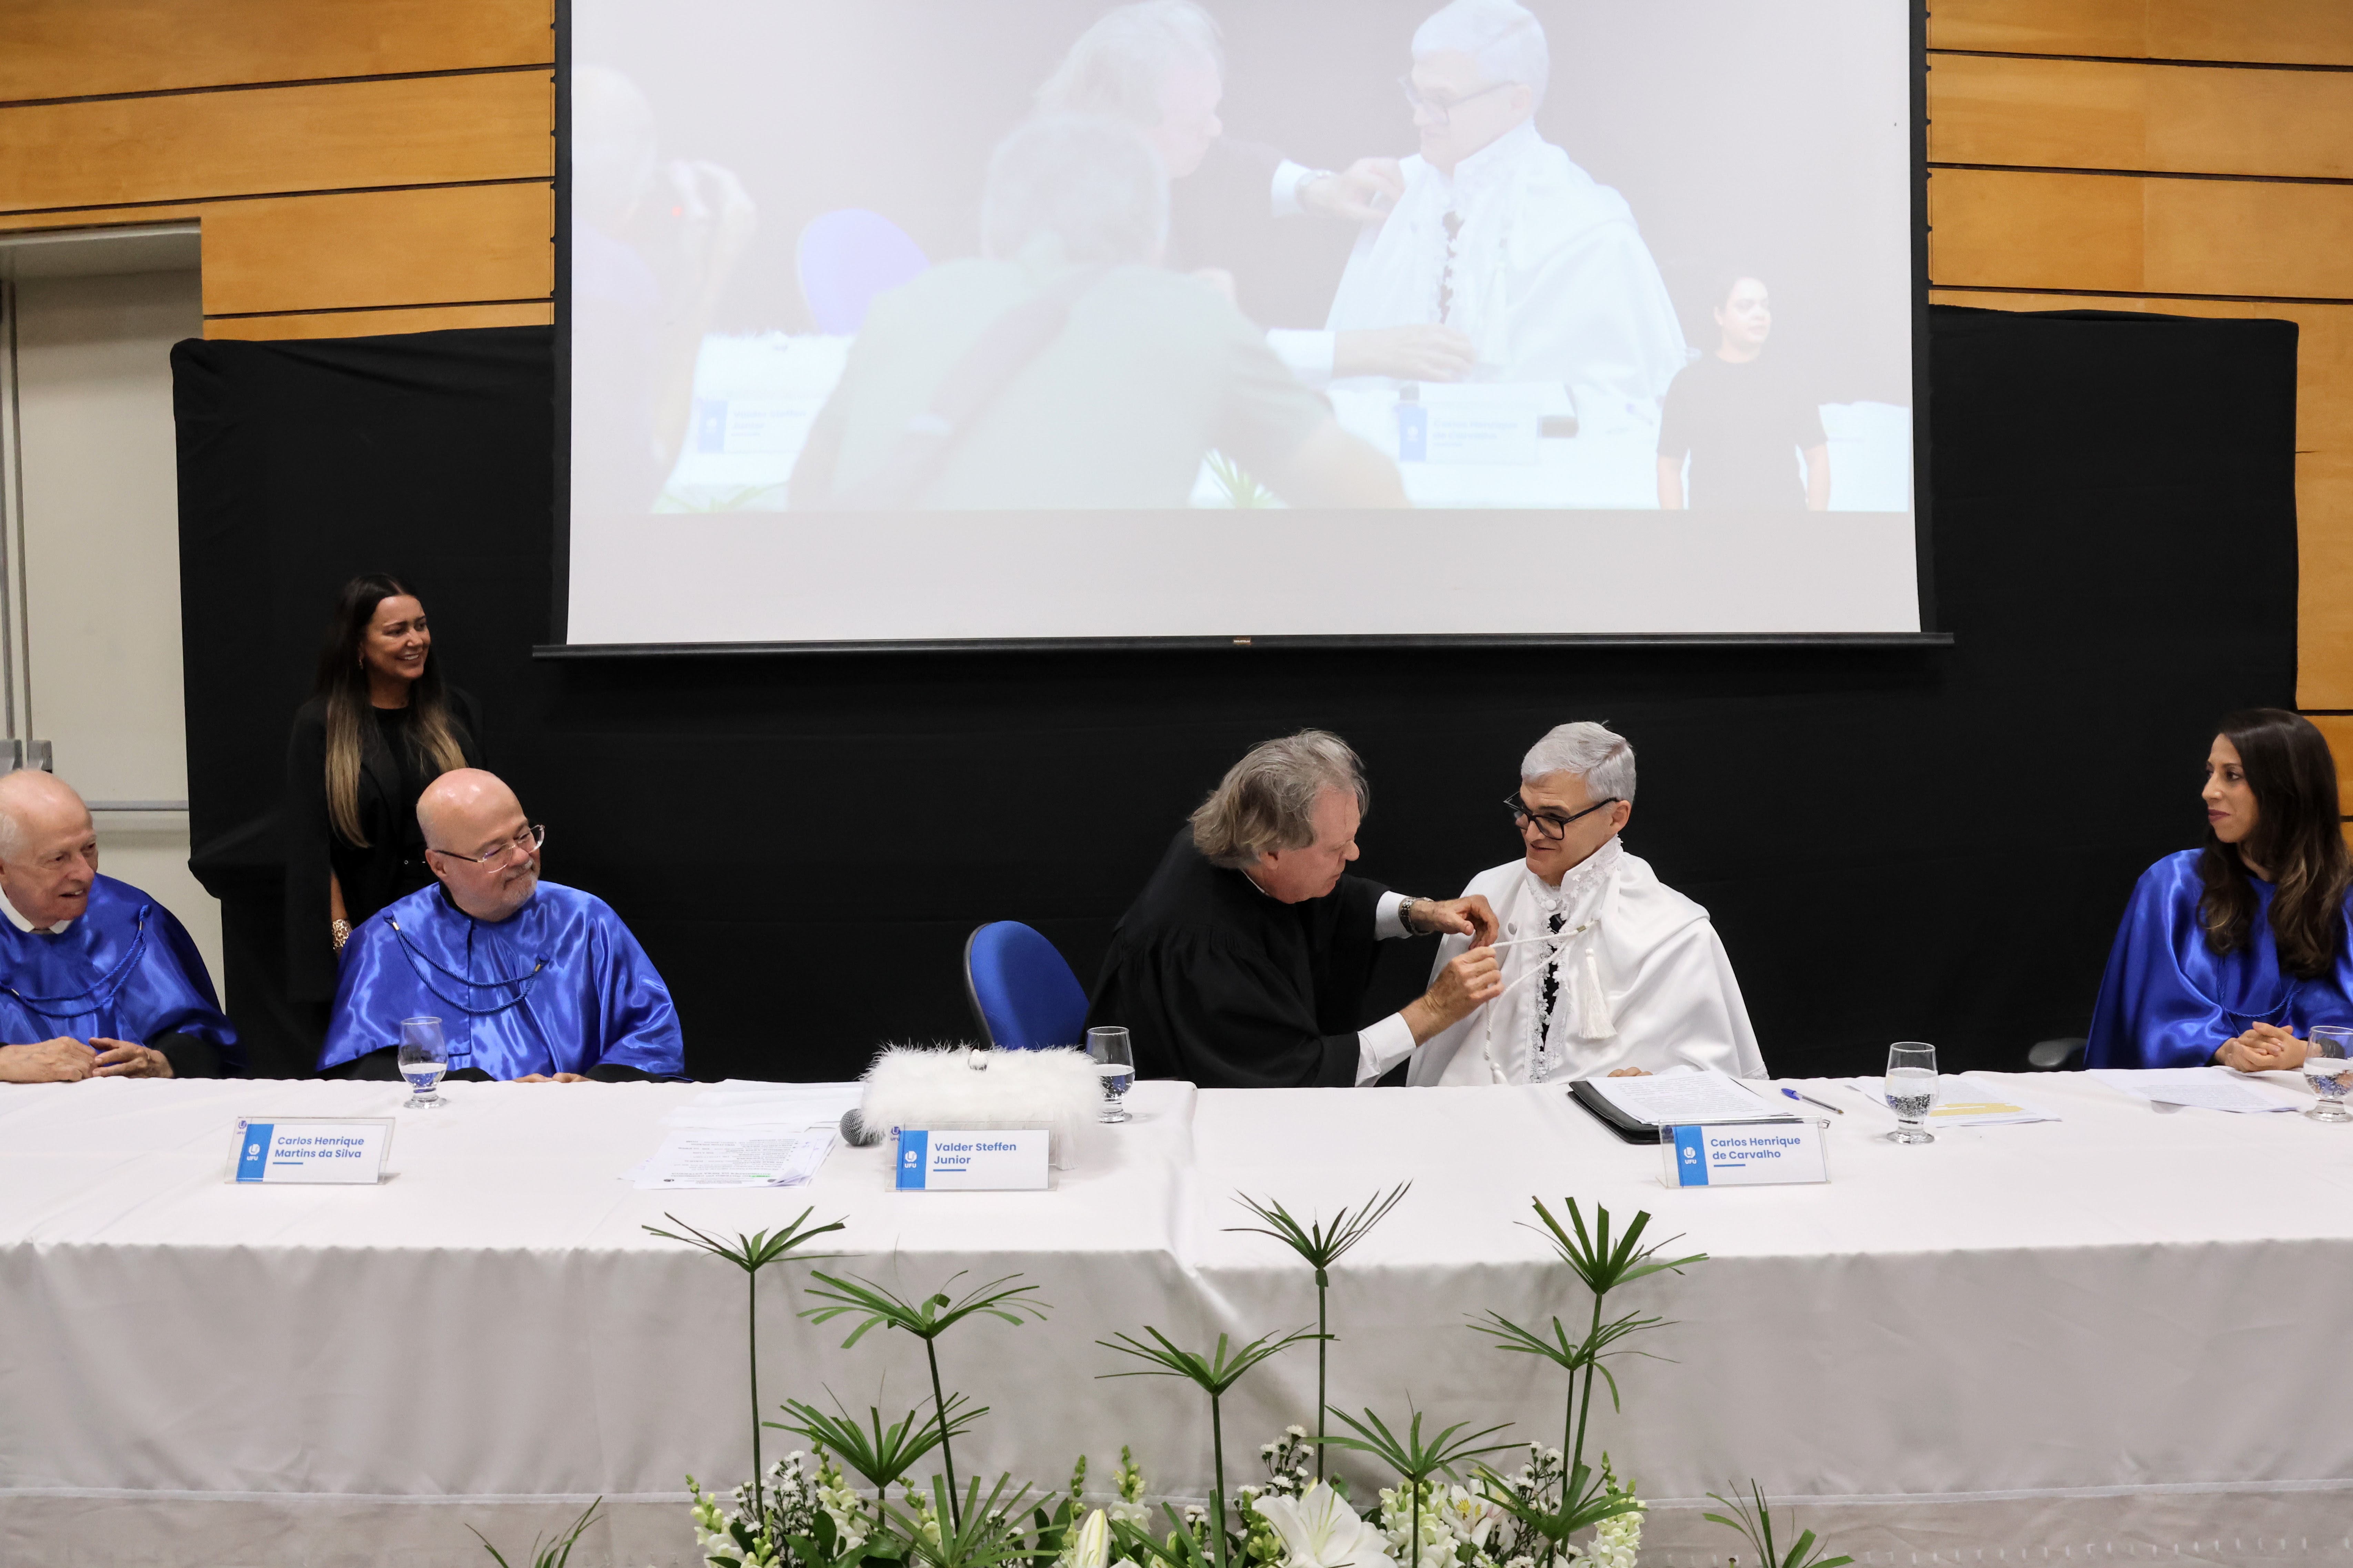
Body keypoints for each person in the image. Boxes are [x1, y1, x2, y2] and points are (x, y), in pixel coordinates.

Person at [789, 114, 1406, 510]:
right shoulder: (1191, 318)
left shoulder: (905, 307)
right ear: (1154, 240)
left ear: (991, 230)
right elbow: (1375, 503)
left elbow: (806, 502)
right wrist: (1232, 337)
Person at [1035, 0, 1470, 384]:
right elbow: (1191, 351)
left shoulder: (1119, 152)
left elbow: (1226, 161)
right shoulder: (1076, 227)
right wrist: (1368, 350)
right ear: (1124, 127)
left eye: (1214, 110)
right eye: (1196, 122)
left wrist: (1319, 189)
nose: (1215, 129)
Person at [1315, 0, 1688, 405]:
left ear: (1516, 102)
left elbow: (1615, 407)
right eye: (1416, 95)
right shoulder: (1396, 189)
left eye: (1441, 100)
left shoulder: (1589, 232)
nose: (1419, 119)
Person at [1086, 730, 1502, 1088]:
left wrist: (1421, 911)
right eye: (1336, 848)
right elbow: (1292, 1079)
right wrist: (1434, 1010)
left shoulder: (1234, 846)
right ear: (1270, 851)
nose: (1353, 855)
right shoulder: (1205, 951)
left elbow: (1329, 899)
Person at [1411, 723, 1763, 1085]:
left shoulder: (1677, 933)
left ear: (1616, 817)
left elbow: (1714, 1083)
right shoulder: (1488, 892)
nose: (1531, 832)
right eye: (1524, 810)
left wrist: (1656, 1089)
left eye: (1553, 817)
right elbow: (1438, 1055)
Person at [319, 770, 683, 1082]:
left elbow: (652, 1033)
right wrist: (477, 1094)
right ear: (440, 865)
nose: (523, 857)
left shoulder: (586, 921)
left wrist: (595, 1085)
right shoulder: (385, 942)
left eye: (524, 835)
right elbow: (358, 1075)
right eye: (494, 852)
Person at [2087, 710, 2353, 1070]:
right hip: (2188, 1092)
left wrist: (2307, 1052)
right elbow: (2148, 1017)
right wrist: (2226, 1049)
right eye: (2210, 772)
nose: (2209, 792)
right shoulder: (2172, 885)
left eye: (2232, 776)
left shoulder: (2344, 899)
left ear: (2286, 788)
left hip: (2306, 1095)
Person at [284, 573, 486, 1035]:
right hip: (371, 928)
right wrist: (344, 939)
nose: (416, 640)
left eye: (421, 625)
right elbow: (312, 849)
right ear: (358, 645)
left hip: (456, 928)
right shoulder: (321, 726)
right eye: (397, 631)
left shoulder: (457, 713)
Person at [0, 769, 240, 1083]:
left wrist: (164, 1063)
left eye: (89, 848)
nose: (86, 874)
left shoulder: (134, 919)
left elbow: (204, 1040)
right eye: (58, 859)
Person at [1657, 275, 1830, 512]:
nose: (1760, 315)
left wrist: (1816, 526)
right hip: (1711, 530)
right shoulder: (1688, 383)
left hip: (1785, 529)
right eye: (1745, 306)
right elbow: (1669, 466)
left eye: (1765, 306)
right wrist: (1675, 529)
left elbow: (1817, 457)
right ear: (1719, 315)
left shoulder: (1791, 379)